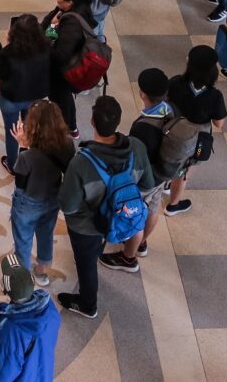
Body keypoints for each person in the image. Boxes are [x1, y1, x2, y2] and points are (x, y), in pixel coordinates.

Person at [57, 96, 154, 317]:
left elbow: (68, 206)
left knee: (86, 264)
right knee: (96, 251)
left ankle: (88, 304)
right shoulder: (137, 147)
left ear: (91, 121)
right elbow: (148, 183)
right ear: (118, 121)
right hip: (122, 216)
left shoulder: (81, 162)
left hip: (87, 227)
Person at [114, 68, 174, 266]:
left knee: (135, 214)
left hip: (146, 178)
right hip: (163, 174)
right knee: (153, 209)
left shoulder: (143, 127)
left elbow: (137, 160)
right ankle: (142, 244)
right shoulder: (171, 110)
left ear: (142, 94)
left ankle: (127, 257)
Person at [9, 101, 72, 286]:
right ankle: (42, 272)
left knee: (23, 239)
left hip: (28, 202)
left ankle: (22, 281)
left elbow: (19, 182)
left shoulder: (28, 156)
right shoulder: (67, 144)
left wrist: (22, 146)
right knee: (46, 233)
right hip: (53, 198)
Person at [0, 254, 58, 381]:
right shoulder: (48, 307)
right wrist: (1, 311)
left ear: (5, 289)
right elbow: (25, 313)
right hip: (41, 373)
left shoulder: (10, 336)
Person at [164, 46, 227, 216]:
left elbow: (166, 102)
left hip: (173, 129)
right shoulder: (215, 96)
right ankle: (173, 205)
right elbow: (219, 123)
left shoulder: (176, 82)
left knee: (172, 159)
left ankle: (167, 183)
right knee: (184, 172)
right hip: (196, 140)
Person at [0, 15, 51, 172]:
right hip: (34, 97)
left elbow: (0, 74)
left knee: (12, 131)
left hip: (12, 99)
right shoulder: (45, 48)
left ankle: (12, 165)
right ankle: (30, 159)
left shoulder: (7, 53)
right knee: (30, 128)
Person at [41, 0, 97, 136]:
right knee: (65, 98)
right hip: (67, 70)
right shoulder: (71, 8)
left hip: (63, 72)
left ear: (70, 1)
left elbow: (59, 55)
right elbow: (47, 21)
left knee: (59, 99)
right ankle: (72, 127)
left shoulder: (72, 23)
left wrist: (51, 29)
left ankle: (62, 131)